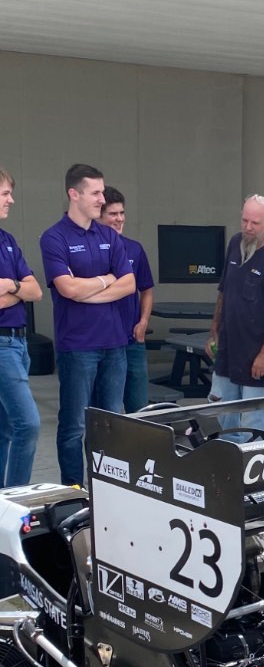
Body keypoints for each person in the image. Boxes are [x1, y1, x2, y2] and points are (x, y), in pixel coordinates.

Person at [40, 163, 135, 487]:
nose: (101, 198)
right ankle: (73, 491)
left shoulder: (108, 234)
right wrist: (105, 280)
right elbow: (66, 289)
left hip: (114, 345)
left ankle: (107, 488)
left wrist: (88, 290)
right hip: (78, 348)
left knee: (110, 425)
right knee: (74, 426)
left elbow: (129, 283)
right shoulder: (54, 238)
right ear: (74, 194)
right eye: (95, 192)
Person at [207, 195, 264, 438]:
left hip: (257, 356)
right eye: (244, 220)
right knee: (222, 416)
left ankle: (257, 471)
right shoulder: (235, 243)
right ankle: (225, 467)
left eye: (255, 223)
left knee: (256, 426)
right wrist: (213, 331)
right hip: (226, 352)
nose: (248, 227)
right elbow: (224, 290)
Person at [0, 169, 43, 487]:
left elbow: (35, 292)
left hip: (19, 344)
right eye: (5, 194)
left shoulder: (8, 241)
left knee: (4, 428)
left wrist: (9, 285)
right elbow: (24, 293)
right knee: (28, 424)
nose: (11, 200)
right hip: (2, 348)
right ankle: (15, 500)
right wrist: (19, 291)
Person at [99, 186, 155, 412]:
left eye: (122, 213)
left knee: (138, 406)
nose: (119, 219)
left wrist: (144, 322)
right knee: (107, 408)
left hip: (132, 340)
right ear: (99, 216)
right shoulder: (93, 251)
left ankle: (139, 448)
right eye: (113, 214)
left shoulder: (135, 249)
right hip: (102, 341)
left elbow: (147, 289)